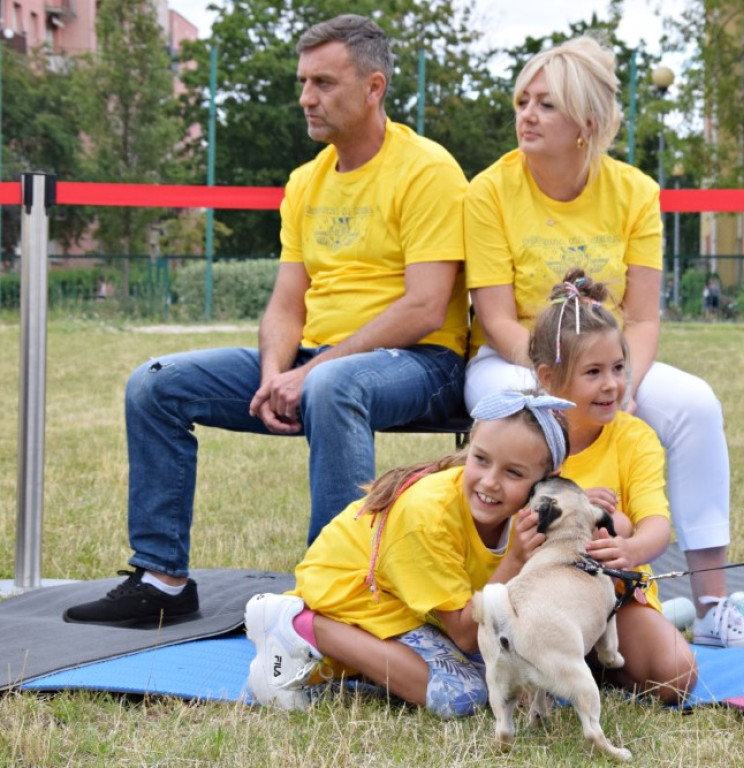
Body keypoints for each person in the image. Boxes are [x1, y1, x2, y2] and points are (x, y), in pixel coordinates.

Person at [64, 14, 469, 626]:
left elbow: (424, 306)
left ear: (374, 88)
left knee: (334, 385)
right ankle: (162, 581)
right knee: (156, 381)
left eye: (324, 83)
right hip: (317, 360)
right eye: (304, 81)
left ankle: (333, 604)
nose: (306, 97)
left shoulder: (427, 170)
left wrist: (312, 373)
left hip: (421, 364)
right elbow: (287, 301)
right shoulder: (306, 181)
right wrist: (275, 374)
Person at [463, 36, 744, 649]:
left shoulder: (635, 191)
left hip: (609, 357)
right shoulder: (489, 190)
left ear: (587, 123)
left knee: (693, 402)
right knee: (521, 407)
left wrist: (621, 382)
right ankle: (520, 591)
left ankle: (712, 603)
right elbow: (498, 318)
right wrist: (557, 380)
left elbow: (642, 320)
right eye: (522, 100)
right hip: (515, 359)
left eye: (545, 105)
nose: (526, 114)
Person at [243, 390, 572, 716]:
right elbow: (467, 636)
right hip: (354, 590)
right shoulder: (428, 517)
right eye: (481, 459)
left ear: (546, 481)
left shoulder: (538, 513)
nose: (490, 482)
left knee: (529, 680)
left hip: (413, 602)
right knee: (460, 693)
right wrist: (515, 560)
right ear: (469, 445)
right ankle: (298, 624)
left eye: (513, 472)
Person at [528, 269, 696, 704]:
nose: (611, 384)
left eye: (619, 368)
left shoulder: (635, 437)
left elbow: (656, 524)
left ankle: (599, 660)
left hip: (616, 594)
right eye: (593, 372)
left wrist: (631, 549)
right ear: (548, 378)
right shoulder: (526, 435)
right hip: (542, 590)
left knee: (676, 675)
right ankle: (571, 654)